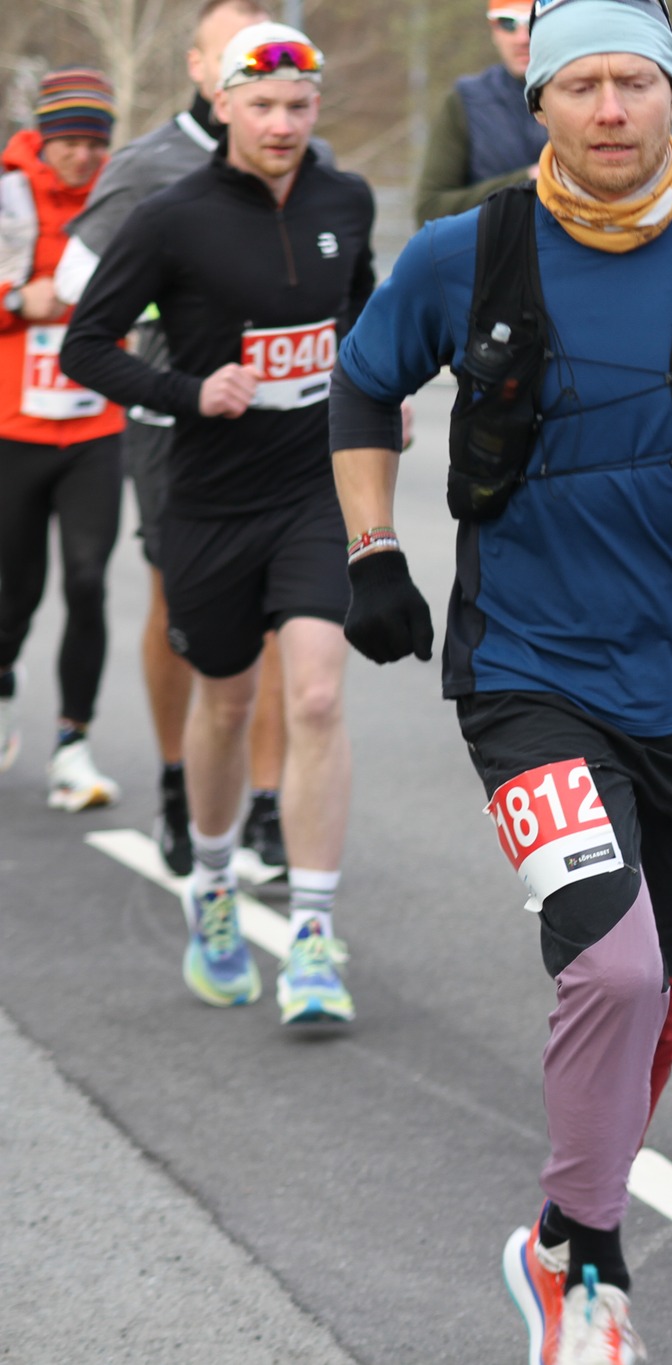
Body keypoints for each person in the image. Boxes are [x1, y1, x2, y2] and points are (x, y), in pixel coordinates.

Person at [326, 0, 672, 1355]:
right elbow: (363, 387)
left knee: (657, 989)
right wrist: (373, 551)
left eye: (634, 83)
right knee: (611, 971)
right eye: (582, 87)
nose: (610, 110)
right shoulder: (465, 252)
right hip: (527, 671)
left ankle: (564, 1233)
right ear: (539, 104)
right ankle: (588, 1257)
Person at [62, 22, 376, 1027]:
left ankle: (315, 936)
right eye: (263, 105)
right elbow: (84, 346)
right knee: (229, 701)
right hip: (208, 497)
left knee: (316, 693)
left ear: (316, 107)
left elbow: (360, 316)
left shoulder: (345, 200)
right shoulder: (170, 218)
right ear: (225, 104)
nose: (282, 124)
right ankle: (210, 883)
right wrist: (190, 392)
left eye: (299, 106)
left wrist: (376, 390)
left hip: (312, 487)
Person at [57, 0, 295, 876]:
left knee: (281, 618)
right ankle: (173, 784)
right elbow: (77, 284)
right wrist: (184, 296)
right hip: (176, 424)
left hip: (283, 422)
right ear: (200, 68)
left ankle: (265, 804)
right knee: (182, 607)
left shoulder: (303, 158)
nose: (253, 68)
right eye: (232, 53)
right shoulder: (149, 164)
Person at [0, 70, 125, 808]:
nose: (83, 156)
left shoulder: (120, 201)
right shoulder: (8, 198)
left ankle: (73, 744)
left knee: (86, 582)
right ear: (44, 139)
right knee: (13, 594)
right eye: (70, 142)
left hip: (94, 429)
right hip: (13, 430)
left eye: (95, 143)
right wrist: (21, 299)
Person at [413, 0, 551, 225]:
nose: (522, 38)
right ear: (493, 30)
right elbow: (430, 210)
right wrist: (531, 180)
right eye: (507, 23)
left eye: (534, 22)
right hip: (496, 246)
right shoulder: (466, 101)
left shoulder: (598, 97)